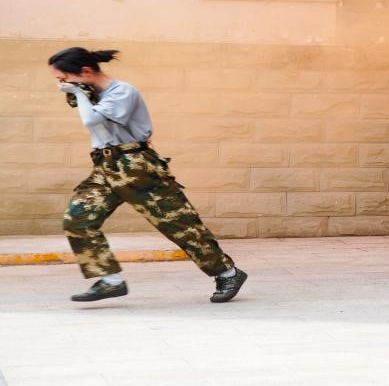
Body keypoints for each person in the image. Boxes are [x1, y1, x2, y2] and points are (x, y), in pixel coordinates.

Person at [49, 47, 246, 303]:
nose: (61, 84)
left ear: (85, 71)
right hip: (105, 165)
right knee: (77, 219)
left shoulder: (122, 91)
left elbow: (92, 120)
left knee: (177, 222)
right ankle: (110, 280)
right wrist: (78, 91)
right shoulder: (88, 92)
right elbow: (85, 110)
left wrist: (77, 91)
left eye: (63, 78)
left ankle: (228, 273)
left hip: (136, 164)